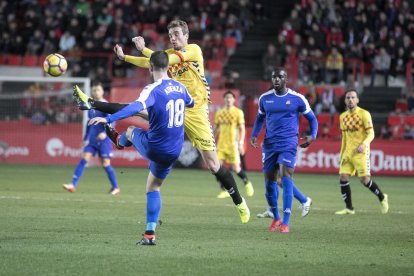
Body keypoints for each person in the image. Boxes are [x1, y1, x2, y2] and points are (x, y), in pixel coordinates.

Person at [74, 20, 250, 223]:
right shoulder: (166, 55)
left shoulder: (194, 50)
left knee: (213, 165)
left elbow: (162, 60)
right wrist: (125, 57)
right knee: (137, 110)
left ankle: (239, 202)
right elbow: (152, 62)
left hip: (196, 112)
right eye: (171, 35)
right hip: (173, 107)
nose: (173, 38)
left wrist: (143, 49)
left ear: (186, 35)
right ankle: (92, 104)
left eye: (176, 34)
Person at [88, 51, 194, 245]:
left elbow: (134, 107)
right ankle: (149, 234)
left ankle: (118, 141)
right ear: (169, 67)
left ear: (151, 67)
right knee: (154, 187)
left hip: (155, 146)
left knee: (130, 130)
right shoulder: (181, 87)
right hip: (174, 150)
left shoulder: (152, 89)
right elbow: (191, 103)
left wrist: (108, 117)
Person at [250, 67, 317, 233]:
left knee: (286, 176)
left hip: (288, 143)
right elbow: (259, 118)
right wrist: (254, 134)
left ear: (286, 79)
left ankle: (286, 223)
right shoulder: (265, 98)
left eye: (280, 77)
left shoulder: (297, 98)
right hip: (270, 145)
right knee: (270, 184)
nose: (276, 79)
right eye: (274, 77)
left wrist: (313, 135)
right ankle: (276, 218)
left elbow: (312, 118)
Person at [335, 89, 389, 215]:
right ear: (345, 100)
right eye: (348, 97)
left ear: (357, 100)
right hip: (347, 152)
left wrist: (364, 144)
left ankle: (382, 197)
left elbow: (371, 133)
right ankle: (349, 208)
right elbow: (345, 137)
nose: (350, 100)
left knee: (364, 180)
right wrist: (342, 153)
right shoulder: (342, 117)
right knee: (343, 177)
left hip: (361, 153)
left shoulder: (364, 114)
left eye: (353, 97)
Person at [63, 83, 120, 195]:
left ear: (102, 91)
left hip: (104, 140)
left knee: (105, 163)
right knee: (84, 159)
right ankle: (73, 185)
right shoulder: (91, 107)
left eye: (98, 90)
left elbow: (113, 120)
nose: (96, 92)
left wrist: (104, 133)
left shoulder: (106, 105)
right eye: (94, 90)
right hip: (93, 140)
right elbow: (88, 124)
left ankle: (116, 187)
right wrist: (85, 139)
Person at [214, 90, 254, 199]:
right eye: (226, 97)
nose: (228, 99)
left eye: (230, 98)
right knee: (216, 168)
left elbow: (242, 129)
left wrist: (241, 143)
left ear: (234, 100)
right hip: (221, 145)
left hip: (233, 145)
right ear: (224, 99)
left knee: (236, 169)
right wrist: (211, 140)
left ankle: (247, 183)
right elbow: (217, 128)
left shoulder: (238, 112)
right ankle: (225, 190)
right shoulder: (219, 113)